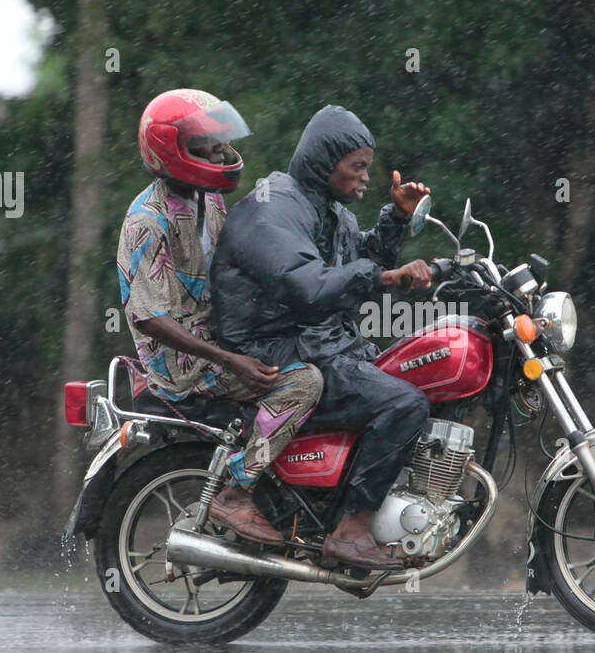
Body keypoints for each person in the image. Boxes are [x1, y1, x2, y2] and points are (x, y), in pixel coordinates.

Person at [211, 105, 435, 569]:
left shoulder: (331, 212)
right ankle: (351, 531)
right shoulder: (272, 206)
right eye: (357, 167)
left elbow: (361, 260)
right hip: (270, 350)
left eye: (367, 169)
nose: (365, 179)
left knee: (414, 372)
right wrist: (389, 279)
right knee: (404, 403)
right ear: (323, 161)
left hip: (318, 342)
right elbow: (309, 286)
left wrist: (395, 217)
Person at [119, 88, 323, 546]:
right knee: (304, 382)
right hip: (181, 362)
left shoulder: (207, 198)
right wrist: (231, 361)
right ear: (168, 151)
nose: (219, 152)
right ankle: (236, 490)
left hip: (217, 338)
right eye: (203, 146)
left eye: (218, 141)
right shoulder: (147, 222)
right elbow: (149, 317)